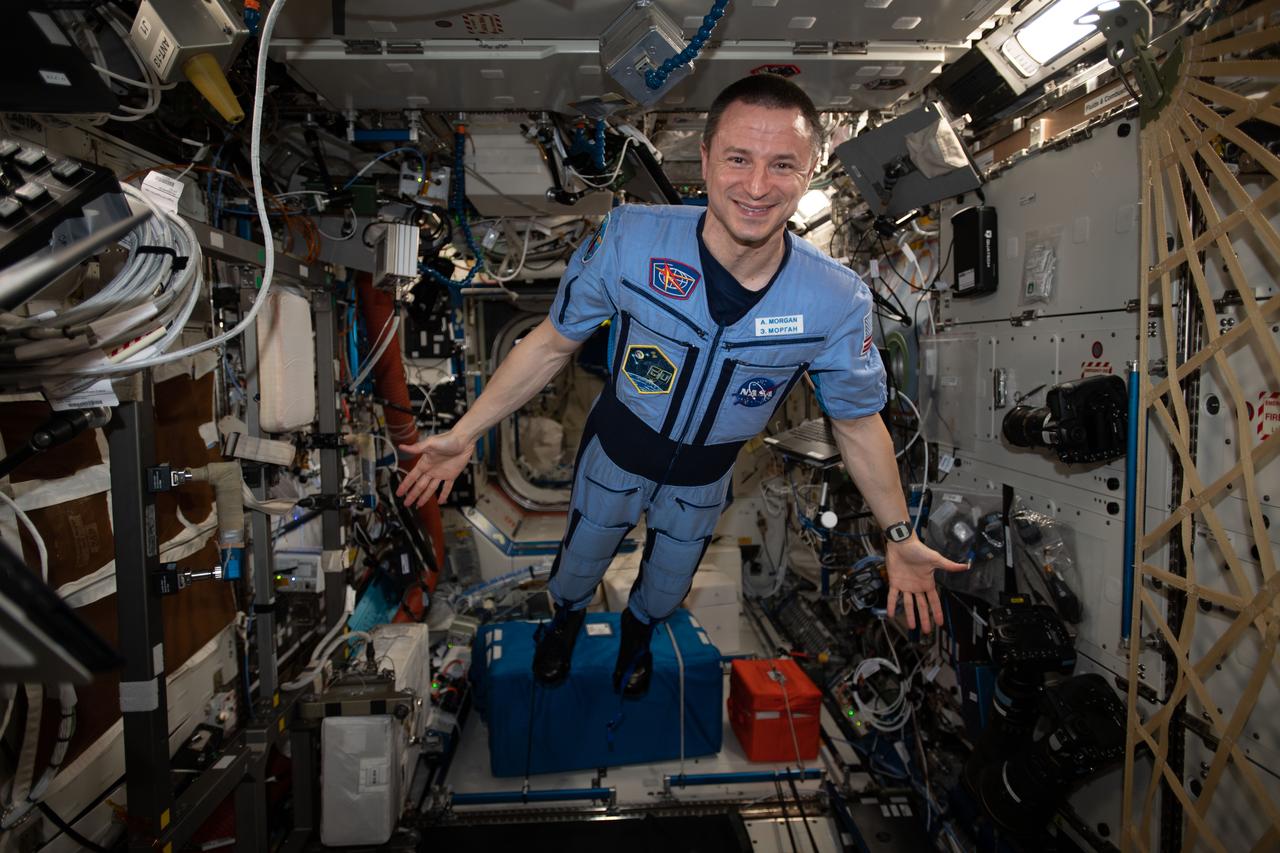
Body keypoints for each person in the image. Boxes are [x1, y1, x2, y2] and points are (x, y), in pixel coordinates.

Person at [398, 74, 967, 696]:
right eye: (738, 159)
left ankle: (637, 640)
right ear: (704, 159)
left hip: (705, 474)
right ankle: (562, 623)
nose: (756, 186)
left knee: (667, 585)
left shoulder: (834, 299)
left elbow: (858, 424)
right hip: (616, 448)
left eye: (782, 164)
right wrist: (464, 434)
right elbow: (549, 344)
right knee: (579, 565)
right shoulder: (629, 239)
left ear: (809, 173)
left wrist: (900, 536)